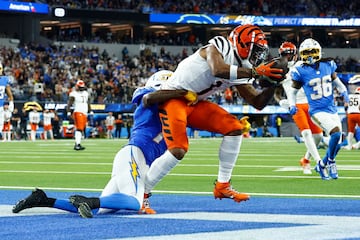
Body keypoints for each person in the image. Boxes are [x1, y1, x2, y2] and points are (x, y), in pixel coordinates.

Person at [12, 70, 196, 218]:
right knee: (134, 202)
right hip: (134, 155)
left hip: (136, 161)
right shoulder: (149, 98)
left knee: (99, 209)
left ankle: (43, 199)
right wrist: (180, 92)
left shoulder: (174, 116)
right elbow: (149, 98)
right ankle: (89, 200)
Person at [143, 24, 286, 203]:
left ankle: (223, 186)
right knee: (178, 150)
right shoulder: (221, 45)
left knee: (234, 128)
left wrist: (274, 82)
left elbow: (258, 102)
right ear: (241, 44)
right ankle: (143, 193)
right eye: (255, 50)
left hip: (195, 102)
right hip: (173, 97)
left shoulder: (246, 66)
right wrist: (256, 72)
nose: (258, 56)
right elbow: (217, 69)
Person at [287, 38, 349, 180]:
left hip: (332, 109)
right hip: (316, 110)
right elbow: (292, 91)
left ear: (318, 52)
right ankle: (331, 162)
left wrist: (345, 93)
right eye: (306, 53)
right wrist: (292, 104)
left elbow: (338, 84)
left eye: (312, 52)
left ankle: (322, 165)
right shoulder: (300, 70)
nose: (309, 56)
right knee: (335, 134)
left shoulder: (328, 65)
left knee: (337, 143)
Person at [275, 41, 323, 175]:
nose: (288, 58)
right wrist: (280, 102)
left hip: (310, 103)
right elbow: (276, 91)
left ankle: (305, 159)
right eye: (285, 55)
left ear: (296, 55)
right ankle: (319, 162)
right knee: (306, 133)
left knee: (318, 136)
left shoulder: (303, 65)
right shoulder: (280, 70)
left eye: (290, 55)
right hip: (296, 105)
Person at [66, 80, 93, 150]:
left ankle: (77, 143)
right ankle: (77, 144)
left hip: (84, 112)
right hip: (78, 112)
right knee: (79, 129)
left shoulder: (86, 93)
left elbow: (88, 103)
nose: (81, 88)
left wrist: (90, 110)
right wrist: (68, 112)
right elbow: (69, 104)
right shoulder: (73, 94)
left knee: (81, 129)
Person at [343, 79, 360, 150]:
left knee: (350, 131)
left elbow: (345, 106)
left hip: (350, 114)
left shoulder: (349, 96)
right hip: (358, 114)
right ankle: (357, 145)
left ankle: (350, 146)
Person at [0, 62, 14, 140]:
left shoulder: (5, 79)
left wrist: (11, 102)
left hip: (1, 106)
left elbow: (9, 92)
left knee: (1, 123)